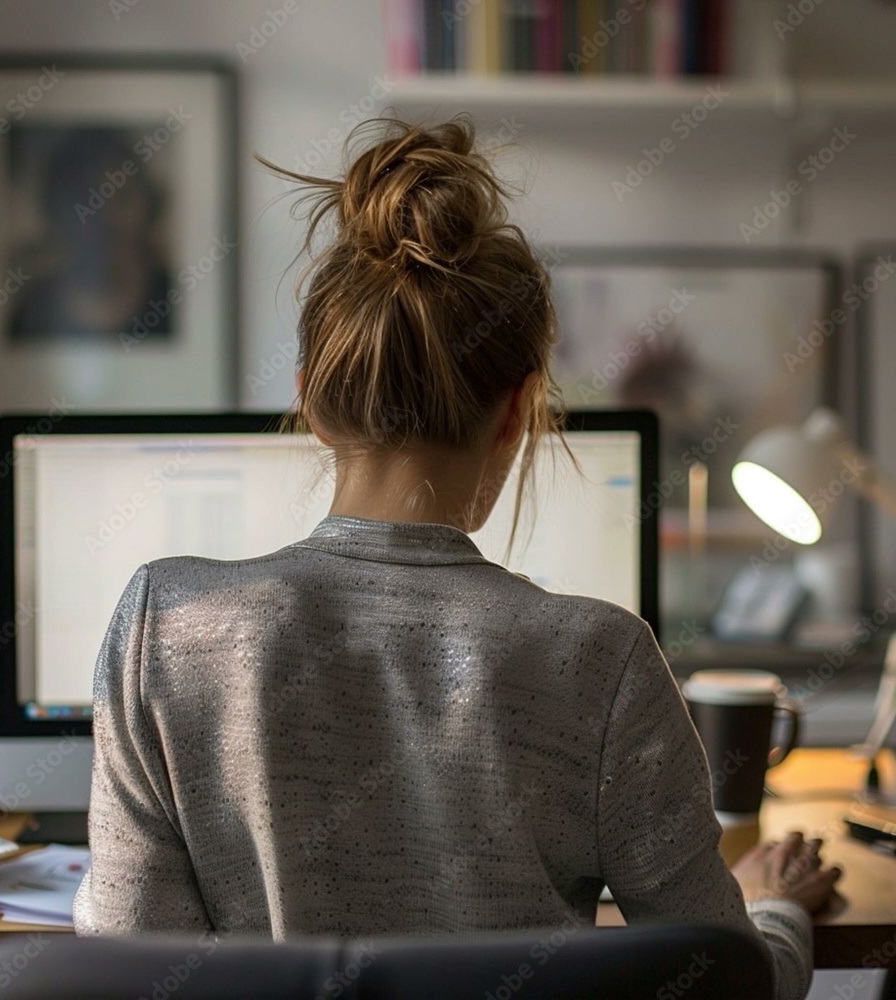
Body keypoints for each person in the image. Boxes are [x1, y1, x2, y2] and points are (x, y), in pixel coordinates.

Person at [73, 117, 839, 1000]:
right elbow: (734, 987)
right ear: (518, 410)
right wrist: (777, 909)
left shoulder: (160, 629)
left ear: (313, 405)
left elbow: (128, 979)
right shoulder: (604, 659)